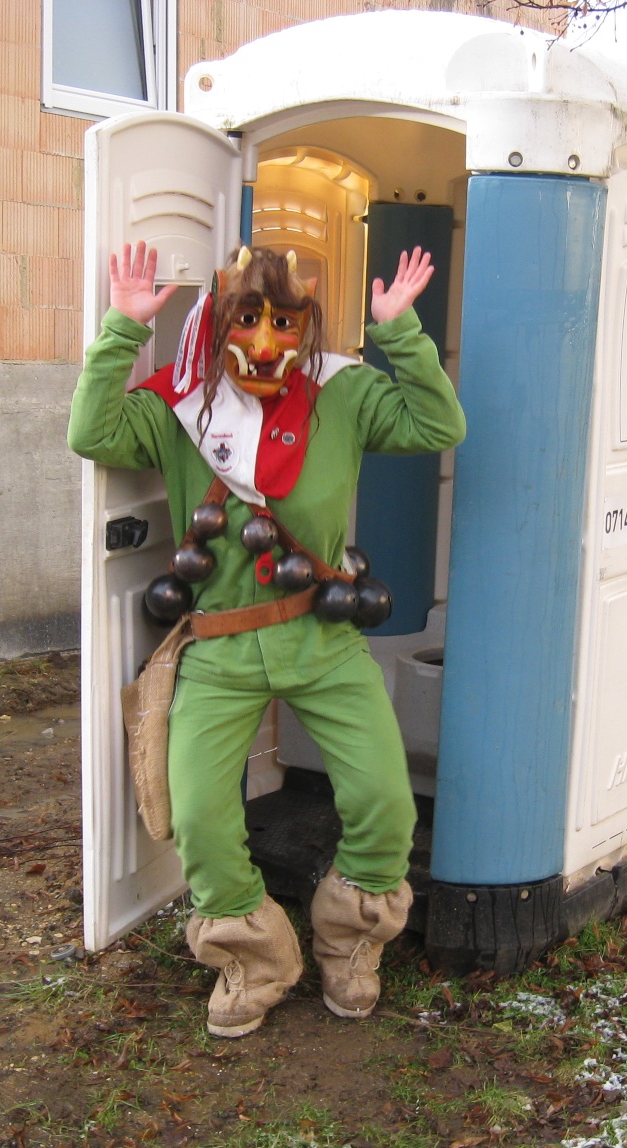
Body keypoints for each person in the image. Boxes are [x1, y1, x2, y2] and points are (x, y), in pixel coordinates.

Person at [68, 240, 465, 1037]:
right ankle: (254, 959)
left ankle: (350, 943)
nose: (265, 338)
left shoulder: (342, 392)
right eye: (247, 317)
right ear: (219, 322)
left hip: (322, 637)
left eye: (284, 320)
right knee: (201, 817)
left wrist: (398, 330)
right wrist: (122, 327)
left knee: (384, 803)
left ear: (306, 323)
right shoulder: (182, 401)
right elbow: (93, 431)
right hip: (219, 646)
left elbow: (437, 423)